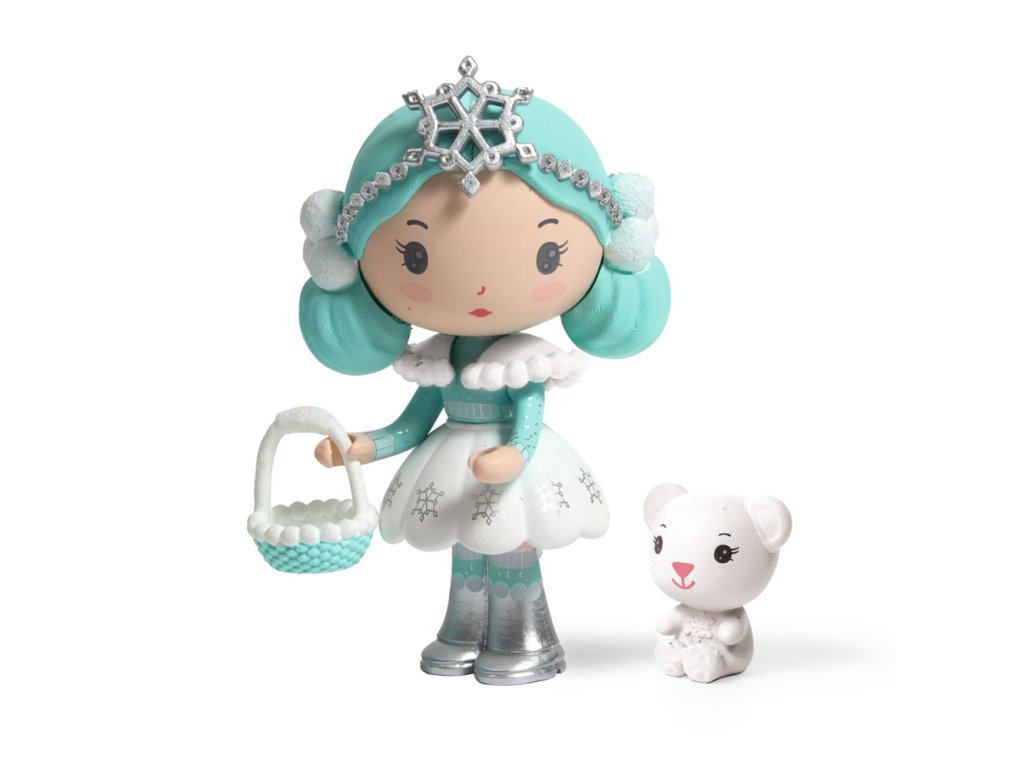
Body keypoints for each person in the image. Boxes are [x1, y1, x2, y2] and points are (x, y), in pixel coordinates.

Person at [298, 57, 670, 685]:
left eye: (548, 253)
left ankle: (526, 636)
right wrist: (364, 445)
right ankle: (463, 630)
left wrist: (514, 455)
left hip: (509, 470)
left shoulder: (524, 362)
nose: (477, 290)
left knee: (513, 552)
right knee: (467, 555)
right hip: (458, 463)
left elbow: (530, 414)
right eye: (413, 256)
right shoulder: (438, 359)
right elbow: (414, 422)